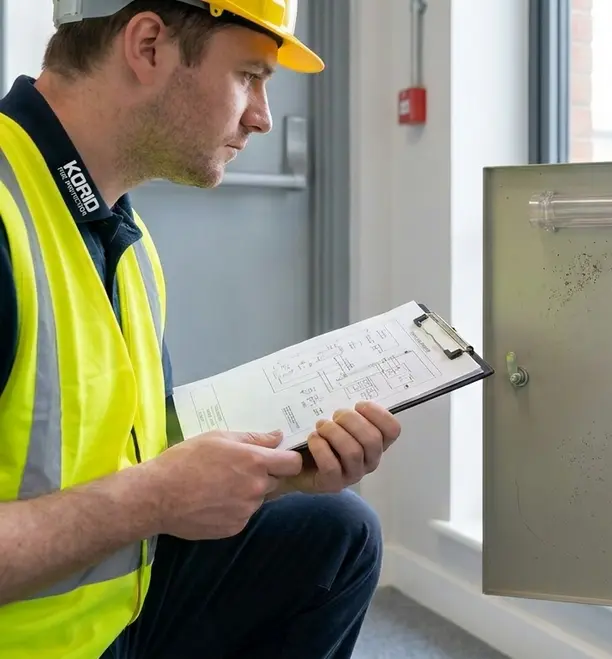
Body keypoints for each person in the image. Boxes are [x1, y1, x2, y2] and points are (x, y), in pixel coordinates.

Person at [0, 1, 401, 657]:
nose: (262, 116)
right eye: (249, 76)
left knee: (335, 531)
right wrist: (153, 499)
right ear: (148, 46)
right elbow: (143, 490)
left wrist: (275, 469)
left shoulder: (120, 230)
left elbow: (118, 450)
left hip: (110, 610)